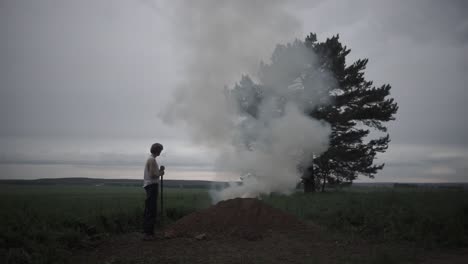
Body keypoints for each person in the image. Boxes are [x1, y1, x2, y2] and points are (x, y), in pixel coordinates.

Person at [142, 143, 165, 240]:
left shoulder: (152, 159)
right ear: (157, 150)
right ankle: (148, 234)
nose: (161, 152)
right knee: (151, 209)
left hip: (150, 186)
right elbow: (152, 174)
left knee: (151, 209)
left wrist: (159, 172)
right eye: (160, 150)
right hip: (152, 186)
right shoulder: (151, 160)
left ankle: (150, 232)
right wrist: (161, 172)